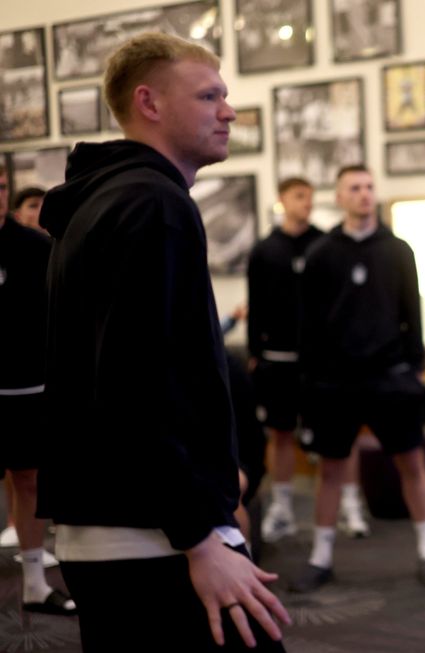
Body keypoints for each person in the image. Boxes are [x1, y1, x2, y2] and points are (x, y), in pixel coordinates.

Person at [36, 33, 289, 651]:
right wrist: (199, 533)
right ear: (148, 102)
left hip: (119, 523)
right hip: (152, 536)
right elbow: (134, 386)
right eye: (209, 96)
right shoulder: (152, 204)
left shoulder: (109, 200)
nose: (228, 110)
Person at [292, 164, 425, 592]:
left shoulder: (398, 250)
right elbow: (309, 324)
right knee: (330, 469)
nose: (364, 194)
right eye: (354, 188)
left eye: (368, 187)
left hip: (390, 378)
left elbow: (412, 315)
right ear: (340, 197)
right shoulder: (322, 254)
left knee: (412, 464)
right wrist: (311, 381)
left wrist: (413, 370)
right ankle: (320, 557)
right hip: (335, 382)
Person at [249, 177, 370, 542]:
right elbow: (256, 304)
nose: (307, 203)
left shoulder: (325, 244)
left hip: (325, 362)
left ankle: (350, 505)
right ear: (283, 200)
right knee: (281, 434)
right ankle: (282, 507)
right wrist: (256, 352)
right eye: (299, 196)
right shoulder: (265, 249)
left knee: (341, 437)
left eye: (310, 197)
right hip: (279, 359)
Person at [0, 166, 76, 616]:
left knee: (29, 482)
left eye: (2, 187)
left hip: (27, 388)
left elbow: (61, 319)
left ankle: (33, 582)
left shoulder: (35, 247)